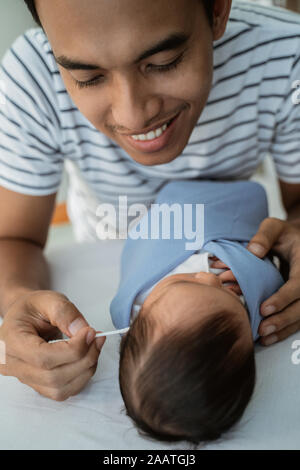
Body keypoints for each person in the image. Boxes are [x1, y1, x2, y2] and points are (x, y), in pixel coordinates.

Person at [0, 0, 300, 402]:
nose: (134, 115)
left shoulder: (287, 54)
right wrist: (18, 301)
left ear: (217, 11)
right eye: (87, 77)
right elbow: (13, 238)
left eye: (163, 61)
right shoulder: (32, 77)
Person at [110, 179, 284, 445]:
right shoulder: (241, 325)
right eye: (231, 300)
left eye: (183, 282)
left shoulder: (134, 304)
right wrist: (244, 270)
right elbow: (272, 282)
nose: (207, 276)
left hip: (173, 212)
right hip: (231, 212)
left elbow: (144, 249)